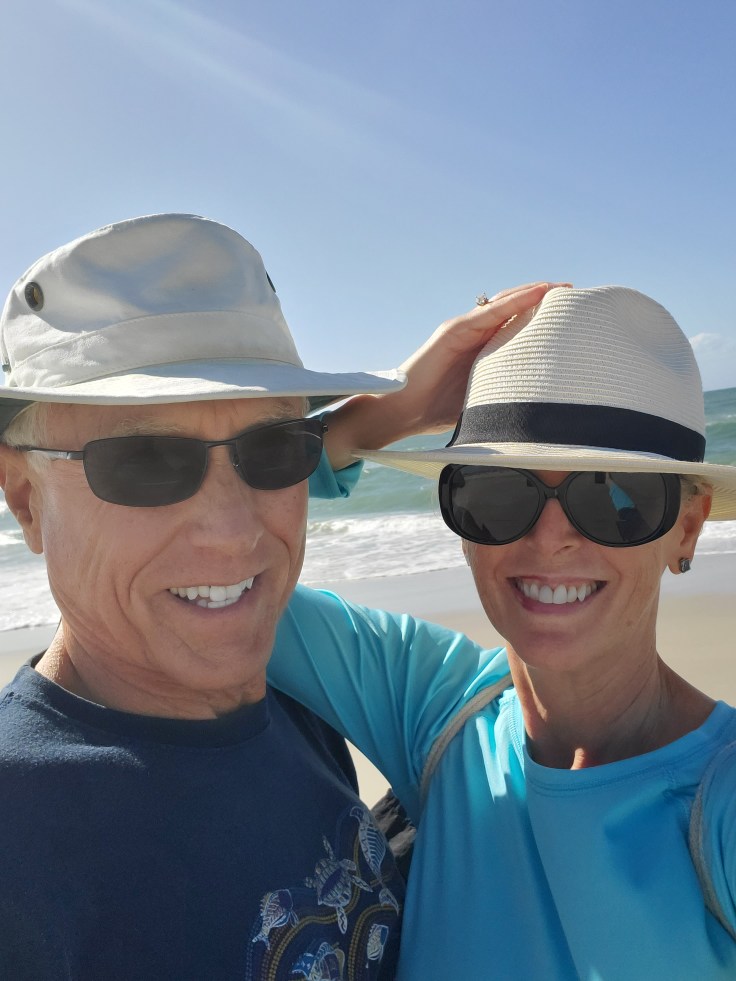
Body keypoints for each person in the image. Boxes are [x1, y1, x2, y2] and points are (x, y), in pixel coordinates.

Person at [0, 212, 424, 981]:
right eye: (146, 460)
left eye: (275, 448)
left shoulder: (296, 699)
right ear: (25, 496)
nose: (233, 534)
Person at [270, 285, 736, 979]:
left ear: (686, 528)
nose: (549, 539)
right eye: (497, 491)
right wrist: (381, 415)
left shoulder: (721, 802)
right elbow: (196, 567)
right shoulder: (438, 709)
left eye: (614, 494)